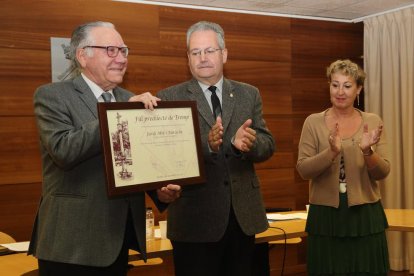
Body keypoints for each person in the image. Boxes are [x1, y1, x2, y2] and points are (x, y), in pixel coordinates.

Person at [28, 21, 181, 276]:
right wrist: (119, 116)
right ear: (82, 56)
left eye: (124, 50)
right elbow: (63, 150)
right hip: (69, 245)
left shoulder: (127, 98)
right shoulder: (52, 96)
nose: (121, 58)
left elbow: (134, 161)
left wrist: (159, 191)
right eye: (111, 50)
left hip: (116, 241)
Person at [157, 21, 275, 276]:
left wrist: (248, 144)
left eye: (209, 51)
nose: (202, 58)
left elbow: (267, 145)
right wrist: (207, 145)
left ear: (224, 54)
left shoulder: (248, 94)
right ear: (188, 58)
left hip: (243, 219)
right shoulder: (168, 98)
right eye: (195, 52)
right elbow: (166, 155)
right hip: (194, 221)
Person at [296, 59, 390, 275]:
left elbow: (383, 172)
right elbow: (303, 170)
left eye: (347, 86)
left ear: (359, 89)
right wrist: (330, 152)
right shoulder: (313, 122)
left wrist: (368, 152)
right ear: (329, 86)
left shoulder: (372, 121)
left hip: (365, 215)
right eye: (335, 84)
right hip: (325, 217)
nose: (340, 91)